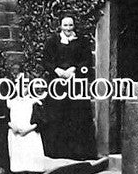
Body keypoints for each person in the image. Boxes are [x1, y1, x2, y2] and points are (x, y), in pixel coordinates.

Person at [41, 13, 97, 161]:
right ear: (60, 26)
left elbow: (86, 60)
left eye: (70, 25)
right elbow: (46, 60)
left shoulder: (82, 42)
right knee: (57, 115)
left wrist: (73, 70)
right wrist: (57, 70)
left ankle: (77, 153)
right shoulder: (53, 41)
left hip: (75, 84)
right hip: (57, 85)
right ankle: (56, 151)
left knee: (76, 115)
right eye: (65, 25)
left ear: (74, 26)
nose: (67, 28)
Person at [2, 92, 47, 174]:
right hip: (16, 136)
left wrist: (28, 129)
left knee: (31, 168)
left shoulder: (34, 102)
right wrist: (13, 126)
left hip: (30, 137)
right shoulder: (11, 102)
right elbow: (6, 118)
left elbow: (40, 121)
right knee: (19, 168)